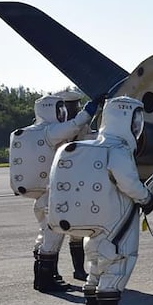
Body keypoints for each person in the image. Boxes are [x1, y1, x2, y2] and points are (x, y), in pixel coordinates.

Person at [47, 96, 153, 305]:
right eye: (136, 120)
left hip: (94, 230)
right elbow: (129, 184)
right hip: (115, 228)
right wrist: (146, 197)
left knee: (95, 275)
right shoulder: (118, 150)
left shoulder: (92, 145)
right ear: (128, 119)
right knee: (115, 272)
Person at [9, 93, 100, 293]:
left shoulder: (31, 131)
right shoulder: (50, 132)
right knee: (52, 237)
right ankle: (45, 280)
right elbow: (76, 125)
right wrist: (92, 107)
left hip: (39, 196)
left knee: (44, 236)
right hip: (50, 195)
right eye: (61, 109)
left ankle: (46, 276)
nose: (64, 112)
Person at [54, 89, 97, 281]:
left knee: (77, 230)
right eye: (72, 105)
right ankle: (55, 270)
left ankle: (78, 270)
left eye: (76, 105)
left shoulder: (80, 125)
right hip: (65, 181)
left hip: (80, 179)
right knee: (55, 233)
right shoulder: (62, 126)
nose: (74, 108)